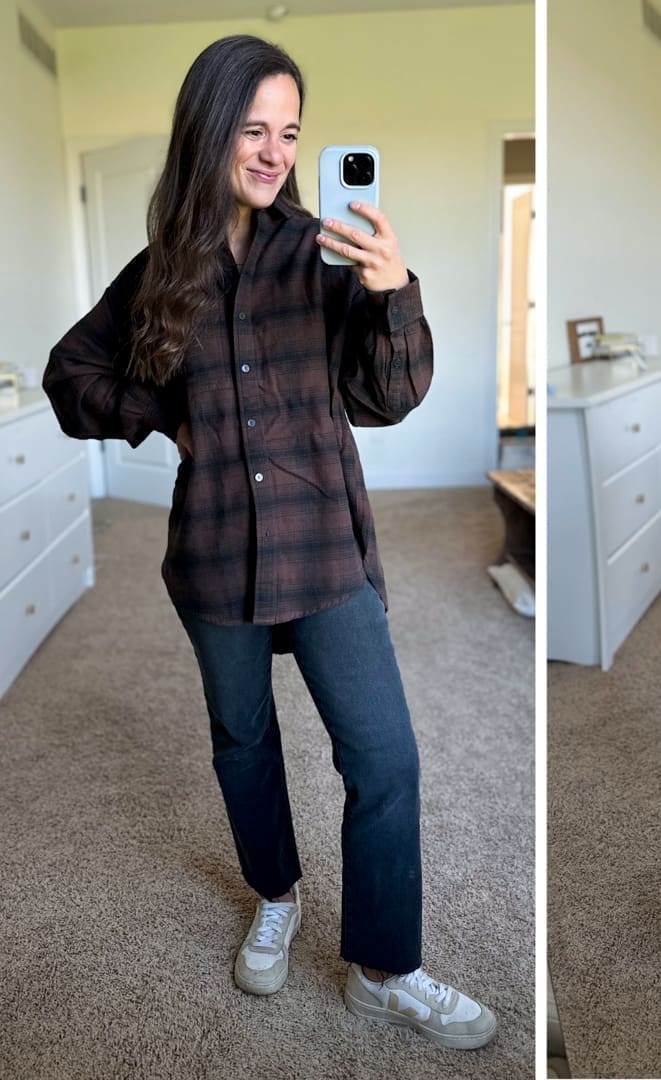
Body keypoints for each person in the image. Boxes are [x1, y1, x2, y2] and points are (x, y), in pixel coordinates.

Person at [43, 35, 496, 1051]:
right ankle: (277, 894)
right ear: (208, 132)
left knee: (385, 757)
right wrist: (163, 416)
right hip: (213, 552)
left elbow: (389, 397)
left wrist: (393, 291)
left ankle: (384, 968)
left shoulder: (327, 251)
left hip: (324, 543)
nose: (274, 152)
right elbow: (72, 376)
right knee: (242, 742)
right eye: (253, 129)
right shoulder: (159, 273)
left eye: (290, 132)